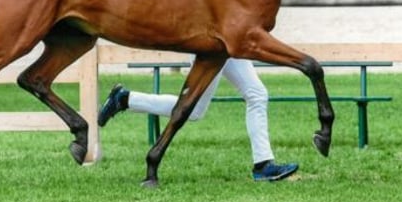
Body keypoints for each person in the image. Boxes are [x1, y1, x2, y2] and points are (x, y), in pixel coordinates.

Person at [98, 58, 299, 182]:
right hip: (214, 44)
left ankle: (263, 165)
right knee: (194, 111)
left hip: (231, 38)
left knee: (257, 94)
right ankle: (124, 99)